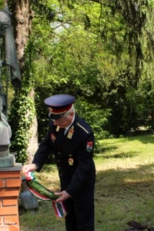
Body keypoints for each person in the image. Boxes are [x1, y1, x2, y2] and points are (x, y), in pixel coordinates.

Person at [22, 94, 96, 231]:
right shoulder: (55, 123)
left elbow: (84, 166)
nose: (55, 124)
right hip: (66, 177)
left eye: (59, 121)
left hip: (82, 181)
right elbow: (46, 145)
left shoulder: (84, 132)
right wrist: (35, 164)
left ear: (71, 114)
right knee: (70, 219)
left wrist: (69, 191)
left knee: (84, 220)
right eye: (54, 120)